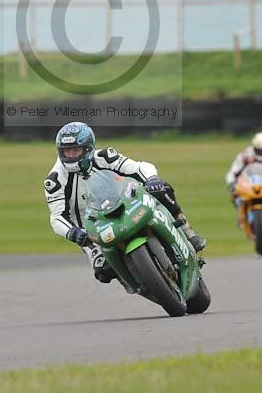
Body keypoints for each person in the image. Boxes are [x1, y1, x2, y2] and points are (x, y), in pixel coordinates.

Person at [44, 121, 206, 284]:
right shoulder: (55, 180)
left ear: (88, 148)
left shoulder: (105, 157)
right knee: (104, 272)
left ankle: (187, 231)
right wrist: (73, 232)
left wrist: (152, 179)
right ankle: (145, 284)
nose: (70, 155)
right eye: (66, 151)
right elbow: (56, 217)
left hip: (124, 205)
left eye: (75, 150)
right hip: (91, 231)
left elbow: (138, 167)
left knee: (162, 189)